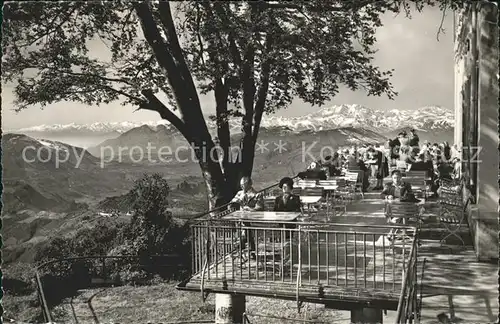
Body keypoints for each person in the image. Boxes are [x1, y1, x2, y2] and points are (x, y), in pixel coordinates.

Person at [228, 176, 264, 258]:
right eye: (241, 185)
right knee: (246, 229)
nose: (241, 186)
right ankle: (250, 251)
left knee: (246, 230)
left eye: (243, 184)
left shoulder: (257, 195)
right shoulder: (239, 193)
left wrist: (250, 209)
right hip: (241, 219)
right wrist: (233, 205)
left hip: (253, 219)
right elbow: (230, 204)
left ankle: (240, 248)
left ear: (249, 184)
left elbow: (260, 208)